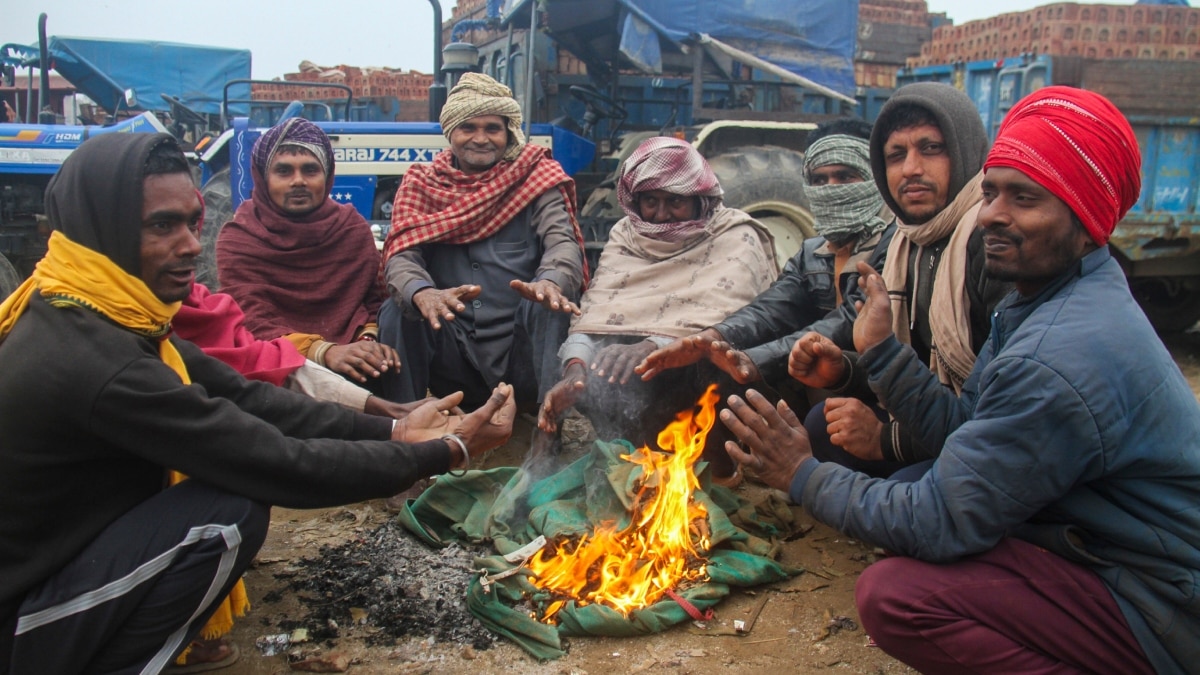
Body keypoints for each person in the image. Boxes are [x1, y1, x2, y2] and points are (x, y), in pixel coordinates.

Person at [721, 86, 1199, 674]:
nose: (994, 214)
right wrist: (877, 354)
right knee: (898, 478)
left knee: (894, 595)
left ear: (1085, 218)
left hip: (1159, 596)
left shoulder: (1052, 351)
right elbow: (965, 429)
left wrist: (800, 475)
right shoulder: (1040, 293)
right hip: (1090, 527)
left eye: (1025, 198)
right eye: (993, 191)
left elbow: (940, 518)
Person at [0, 132, 516, 673]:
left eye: (190, 222)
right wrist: (449, 450)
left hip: (64, 555)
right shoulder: (101, 361)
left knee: (228, 491)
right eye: (161, 226)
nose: (192, 246)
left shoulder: (100, 311)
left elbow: (246, 396)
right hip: (21, 620)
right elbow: (278, 462)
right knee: (225, 514)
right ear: (99, 230)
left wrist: (392, 430)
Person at [771, 83, 1010, 477]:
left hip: (982, 441)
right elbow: (914, 361)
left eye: (931, 148)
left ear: (964, 150)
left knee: (905, 487)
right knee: (821, 424)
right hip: (931, 416)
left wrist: (886, 439)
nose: (911, 169)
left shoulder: (988, 242)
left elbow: (996, 416)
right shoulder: (905, 239)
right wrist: (844, 370)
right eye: (896, 155)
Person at [537, 136, 777, 482]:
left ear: (700, 200)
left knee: (718, 359)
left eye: (675, 202)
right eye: (650, 201)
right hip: (642, 386)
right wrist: (575, 372)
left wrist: (652, 345)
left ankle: (718, 467)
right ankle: (635, 460)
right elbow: (596, 314)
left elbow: (736, 322)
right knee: (596, 363)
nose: (661, 215)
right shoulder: (627, 233)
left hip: (700, 378)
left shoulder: (736, 234)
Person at [636, 118, 894, 411]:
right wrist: (711, 339)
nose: (829, 189)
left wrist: (757, 359)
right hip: (821, 390)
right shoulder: (813, 250)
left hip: (881, 395)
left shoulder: (894, 244)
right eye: (819, 180)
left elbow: (849, 321)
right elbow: (773, 308)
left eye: (845, 177)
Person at [379, 72, 586, 411]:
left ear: (508, 133)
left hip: (521, 357)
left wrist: (550, 281)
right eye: (468, 128)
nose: (481, 139)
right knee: (400, 308)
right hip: (455, 354)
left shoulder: (535, 178)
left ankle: (547, 434)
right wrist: (423, 293)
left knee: (550, 302)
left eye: (492, 129)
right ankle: (406, 428)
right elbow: (401, 256)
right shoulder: (421, 184)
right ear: (451, 133)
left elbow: (562, 243)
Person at [217, 117, 400, 395]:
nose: (298, 181)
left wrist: (366, 341)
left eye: (310, 170)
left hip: (356, 357)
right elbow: (251, 318)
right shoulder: (241, 238)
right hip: (277, 365)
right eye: (284, 171)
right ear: (263, 177)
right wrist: (323, 351)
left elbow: (375, 300)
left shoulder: (350, 229)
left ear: (327, 177)